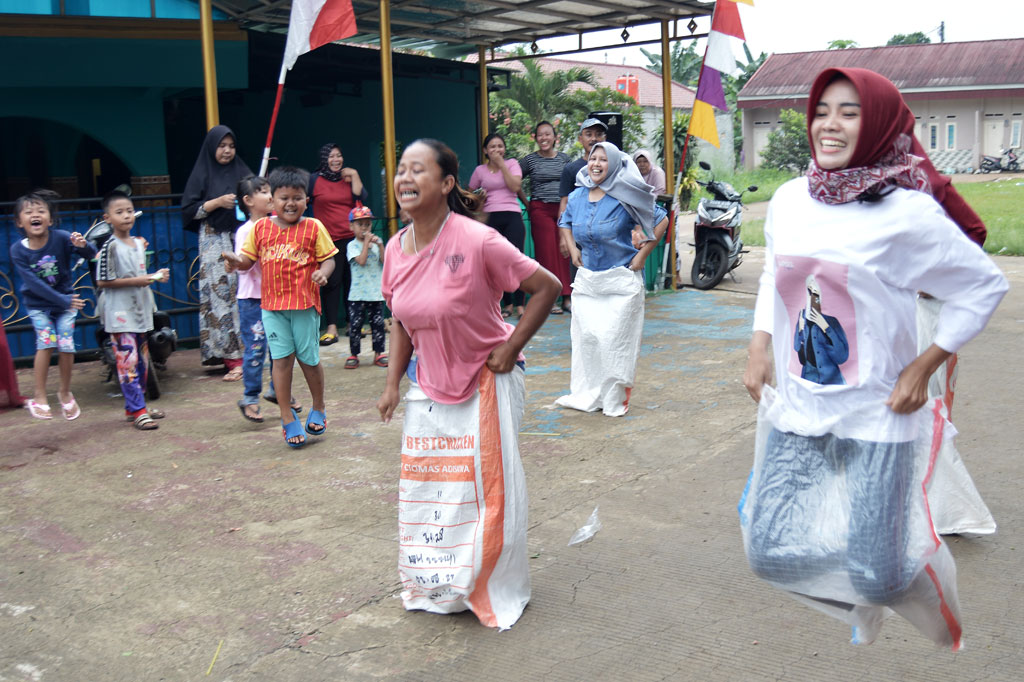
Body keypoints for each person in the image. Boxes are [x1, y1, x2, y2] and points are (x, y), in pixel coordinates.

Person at [740, 67, 1008, 649]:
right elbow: (774, 275)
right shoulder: (788, 199)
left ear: (879, 123)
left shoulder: (906, 214)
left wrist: (924, 365)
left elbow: (982, 285)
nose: (830, 125)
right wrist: (759, 346)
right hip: (800, 404)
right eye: (823, 111)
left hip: (877, 412)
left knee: (881, 574)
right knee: (766, 553)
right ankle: (861, 589)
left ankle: (914, 583)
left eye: (850, 112)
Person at [376, 138, 560, 629]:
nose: (406, 179)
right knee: (439, 492)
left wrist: (512, 346)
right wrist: (394, 384)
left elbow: (547, 287)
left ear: (447, 183)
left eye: (419, 170)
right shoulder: (395, 248)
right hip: (429, 386)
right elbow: (400, 320)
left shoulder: (478, 240)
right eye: (401, 171)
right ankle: (445, 584)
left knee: (488, 491)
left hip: (487, 379)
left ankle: (491, 584)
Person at [223, 166, 337, 448]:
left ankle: (319, 406)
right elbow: (248, 262)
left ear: (306, 200)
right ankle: (287, 417)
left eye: (297, 197)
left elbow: (330, 258)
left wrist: (324, 272)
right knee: (282, 360)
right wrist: (236, 263)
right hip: (272, 308)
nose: (290, 203)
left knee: (308, 359)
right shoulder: (260, 229)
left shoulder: (314, 227)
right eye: (284, 197)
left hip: (305, 306)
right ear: (272, 201)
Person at [556, 141, 668, 417]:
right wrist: (572, 250)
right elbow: (565, 222)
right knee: (589, 341)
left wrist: (642, 255)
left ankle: (615, 398)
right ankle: (590, 394)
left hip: (621, 282)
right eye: (593, 158)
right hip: (589, 282)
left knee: (614, 343)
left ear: (615, 164)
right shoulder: (579, 195)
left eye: (603, 160)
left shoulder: (625, 195)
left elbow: (662, 219)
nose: (595, 164)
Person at [10, 190, 95, 420]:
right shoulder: (18, 250)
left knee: (66, 344)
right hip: (39, 305)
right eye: (29, 212)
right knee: (46, 343)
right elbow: (33, 284)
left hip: (65, 304)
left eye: (41, 211)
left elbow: (91, 254)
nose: (35, 215)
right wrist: (65, 300)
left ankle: (65, 393)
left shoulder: (61, 237)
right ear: (19, 221)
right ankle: (39, 396)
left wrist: (83, 245)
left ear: (50, 218)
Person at [96, 191, 170, 430]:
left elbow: (140, 275)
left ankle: (135, 407)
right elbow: (103, 282)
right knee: (127, 363)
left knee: (140, 363)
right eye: (119, 212)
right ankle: (138, 410)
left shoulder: (139, 243)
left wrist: (153, 277)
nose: (126, 216)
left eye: (129, 211)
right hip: (120, 314)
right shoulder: (110, 247)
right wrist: (143, 279)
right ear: (107, 218)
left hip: (140, 312)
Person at [181, 125, 250, 379]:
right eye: (222, 146)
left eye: (231, 146)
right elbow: (190, 210)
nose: (227, 151)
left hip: (242, 238)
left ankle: (246, 354)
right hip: (214, 240)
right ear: (212, 147)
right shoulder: (203, 173)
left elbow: (258, 197)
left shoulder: (243, 172)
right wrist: (218, 202)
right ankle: (230, 357)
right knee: (220, 295)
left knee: (243, 292)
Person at [232, 175, 301, 423]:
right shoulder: (246, 231)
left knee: (282, 348)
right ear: (248, 200)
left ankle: (277, 390)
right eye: (263, 192)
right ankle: (250, 398)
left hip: (278, 297)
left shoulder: (278, 224)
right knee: (256, 349)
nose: (270, 197)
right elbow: (243, 265)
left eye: (270, 191)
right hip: (252, 299)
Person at [307, 143, 367, 346]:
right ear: (325, 159)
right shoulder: (314, 180)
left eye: (339, 156)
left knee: (352, 281)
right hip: (328, 240)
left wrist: (355, 174)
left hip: (352, 239)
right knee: (331, 282)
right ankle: (331, 327)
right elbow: (303, 200)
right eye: (331, 156)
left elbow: (361, 196)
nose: (336, 160)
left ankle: (353, 324)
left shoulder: (348, 177)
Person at [468, 133, 526, 317]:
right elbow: (469, 194)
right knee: (497, 262)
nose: (496, 150)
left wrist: (501, 165)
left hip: (512, 216)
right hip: (490, 218)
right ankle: (506, 304)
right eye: (492, 147)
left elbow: (515, 186)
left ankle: (520, 305)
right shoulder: (479, 171)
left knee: (516, 259)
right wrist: (479, 198)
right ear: (485, 150)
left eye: (500, 146)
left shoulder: (512, 164)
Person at [519, 121, 572, 314]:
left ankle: (567, 296)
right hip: (540, 209)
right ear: (535, 138)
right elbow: (514, 180)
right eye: (540, 135)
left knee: (564, 251)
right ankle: (550, 299)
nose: (544, 138)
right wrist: (528, 204)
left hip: (562, 209)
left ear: (554, 137)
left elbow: (573, 185)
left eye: (548, 134)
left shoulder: (565, 160)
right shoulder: (530, 160)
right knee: (546, 252)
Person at [344, 205, 387, 370]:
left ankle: (379, 353)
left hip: (375, 293)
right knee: (355, 325)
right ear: (351, 226)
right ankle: (354, 354)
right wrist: (366, 244)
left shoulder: (376, 244)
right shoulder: (352, 245)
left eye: (367, 224)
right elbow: (361, 261)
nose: (364, 228)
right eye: (360, 224)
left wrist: (380, 246)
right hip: (357, 295)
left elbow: (384, 262)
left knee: (378, 326)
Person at [793, 274, 849, 385]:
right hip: (808, 381)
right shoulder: (801, 318)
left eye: (816, 294)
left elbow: (841, 357)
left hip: (832, 384)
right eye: (810, 292)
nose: (813, 298)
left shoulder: (832, 322)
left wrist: (826, 328)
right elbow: (798, 352)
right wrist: (800, 331)